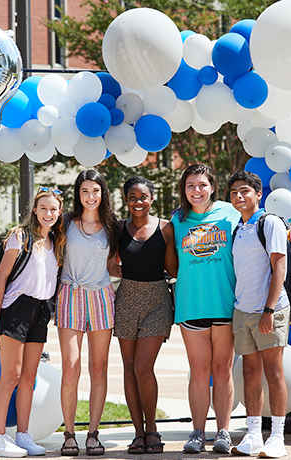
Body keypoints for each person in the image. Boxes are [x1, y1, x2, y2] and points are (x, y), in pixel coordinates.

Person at [0, 187, 66, 458]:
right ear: (34, 210)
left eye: (53, 209)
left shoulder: (57, 242)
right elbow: (1, 280)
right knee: (11, 377)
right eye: (43, 208)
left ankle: (23, 435)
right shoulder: (20, 237)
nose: (48, 213)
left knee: (29, 378)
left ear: (59, 211)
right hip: (15, 310)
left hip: (41, 311)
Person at [171, 163, 241, 454]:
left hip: (225, 304)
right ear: (183, 190)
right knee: (198, 371)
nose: (196, 190)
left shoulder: (231, 213)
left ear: (212, 186)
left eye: (202, 185)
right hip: (192, 305)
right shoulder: (176, 220)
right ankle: (198, 433)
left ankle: (223, 432)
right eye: (190, 186)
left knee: (222, 370)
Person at [55, 169, 119, 456]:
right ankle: (69, 434)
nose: (90, 196)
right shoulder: (66, 222)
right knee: (71, 366)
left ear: (103, 193)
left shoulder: (112, 227)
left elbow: (115, 264)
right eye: (85, 191)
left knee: (99, 368)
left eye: (95, 190)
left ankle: (93, 434)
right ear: (77, 195)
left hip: (102, 297)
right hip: (71, 294)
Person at [227, 170, 289, 458]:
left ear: (257, 194)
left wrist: (268, 309)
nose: (239, 196)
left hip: (269, 310)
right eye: (234, 193)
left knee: (274, 373)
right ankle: (254, 434)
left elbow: (280, 267)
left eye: (244, 191)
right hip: (242, 310)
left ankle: (277, 437)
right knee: (249, 372)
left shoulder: (270, 222)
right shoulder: (238, 228)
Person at [114, 176, 178, 454]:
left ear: (152, 198)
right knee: (128, 367)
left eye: (143, 197)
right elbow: (110, 263)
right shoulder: (117, 228)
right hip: (126, 298)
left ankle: (152, 428)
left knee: (143, 366)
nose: (138, 202)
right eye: (132, 197)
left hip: (156, 299)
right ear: (125, 200)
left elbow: (174, 270)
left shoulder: (166, 228)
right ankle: (138, 433)